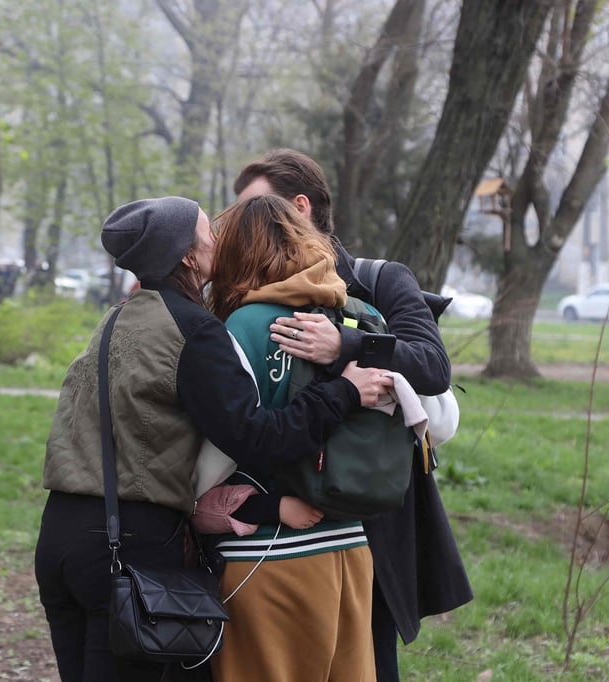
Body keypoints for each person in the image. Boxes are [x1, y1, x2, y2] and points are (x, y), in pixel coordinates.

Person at [33, 196, 393, 682]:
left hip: (60, 539)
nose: (218, 240)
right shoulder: (195, 331)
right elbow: (258, 438)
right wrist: (345, 392)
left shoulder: (117, 318)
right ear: (187, 255)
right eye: (209, 232)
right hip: (127, 547)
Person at [234, 148, 474, 682]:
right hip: (278, 535)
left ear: (300, 207)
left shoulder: (379, 280)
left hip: (372, 522)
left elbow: (433, 367)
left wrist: (345, 344)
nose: (241, 227)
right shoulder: (247, 296)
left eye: (254, 210)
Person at [205, 194, 386, 682]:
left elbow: (217, 454)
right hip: (350, 545)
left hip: (266, 553)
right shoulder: (364, 318)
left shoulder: (242, 325)